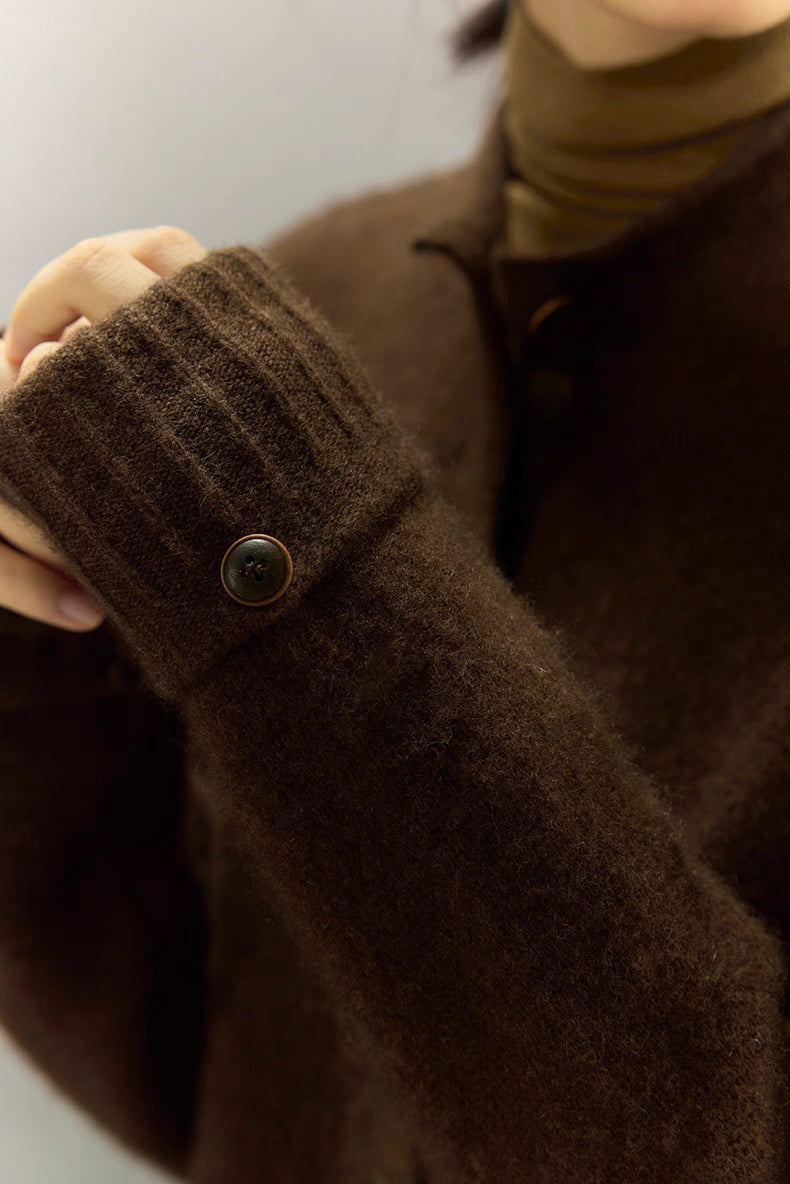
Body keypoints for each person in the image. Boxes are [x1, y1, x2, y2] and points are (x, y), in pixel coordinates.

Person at [0, 1, 789, 1179]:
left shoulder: (261, 371)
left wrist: (311, 556)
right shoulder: (317, 295)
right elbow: (217, 1078)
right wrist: (32, 662)